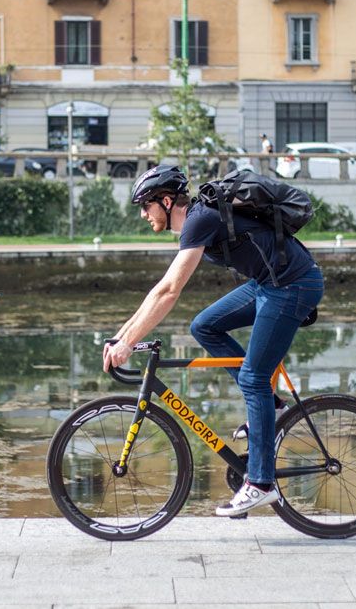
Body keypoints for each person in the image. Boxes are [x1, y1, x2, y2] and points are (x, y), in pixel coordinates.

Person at [103, 165, 324, 517]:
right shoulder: (198, 220)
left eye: (146, 205)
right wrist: (122, 336)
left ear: (165, 199)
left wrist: (128, 342)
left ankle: (261, 483)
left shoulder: (199, 219)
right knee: (204, 326)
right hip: (270, 283)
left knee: (253, 377)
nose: (143, 214)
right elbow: (159, 289)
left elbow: (170, 291)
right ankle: (274, 406)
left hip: (293, 285)